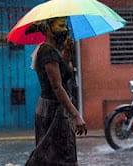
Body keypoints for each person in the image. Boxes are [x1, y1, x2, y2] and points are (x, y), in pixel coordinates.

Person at [25, 17, 87, 166]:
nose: (66, 30)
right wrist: (76, 115)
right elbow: (57, 87)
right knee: (59, 158)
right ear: (48, 28)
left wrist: (66, 51)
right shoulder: (47, 52)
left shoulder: (52, 51)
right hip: (53, 111)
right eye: (61, 25)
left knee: (50, 156)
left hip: (53, 108)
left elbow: (63, 74)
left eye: (65, 26)